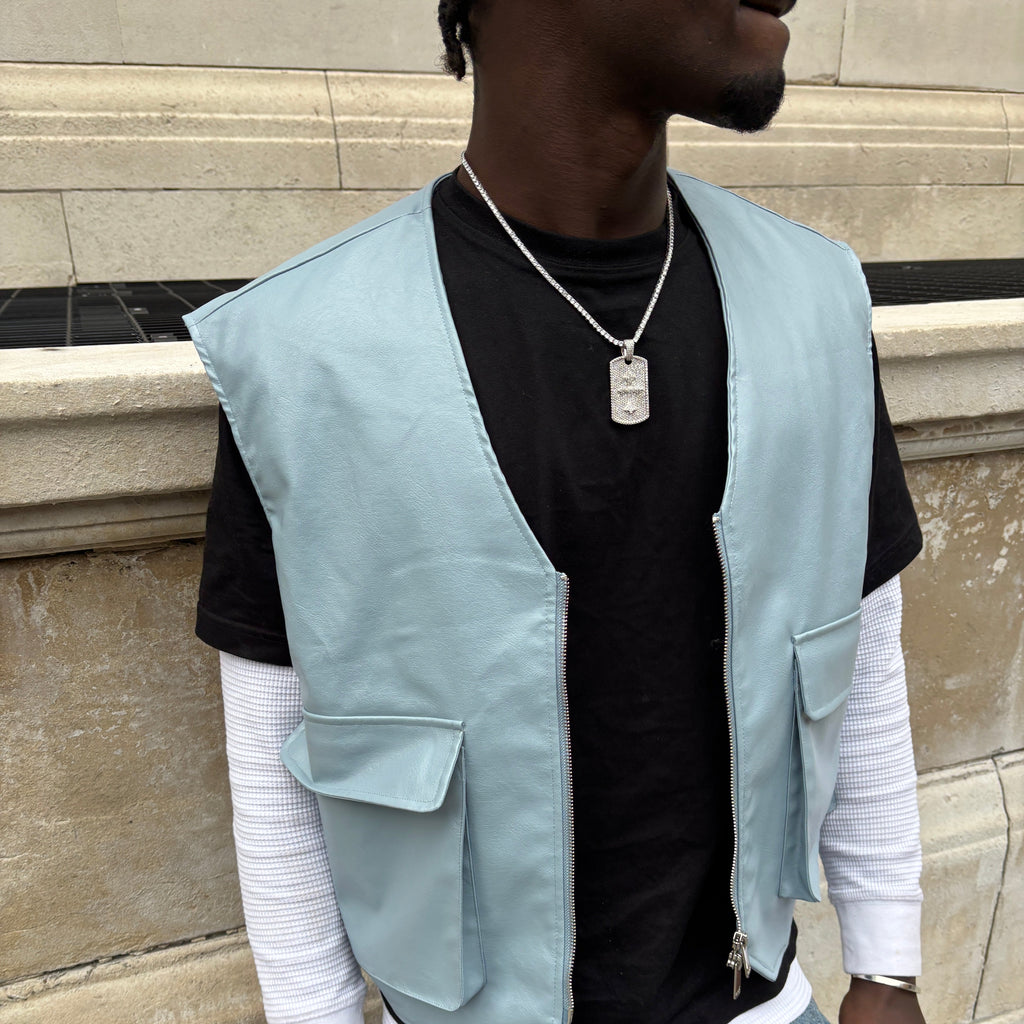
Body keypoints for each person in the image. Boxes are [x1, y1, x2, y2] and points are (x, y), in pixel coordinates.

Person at [184, 2, 927, 1023]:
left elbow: (863, 648)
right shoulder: (300, 349)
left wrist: (886, 968)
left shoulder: (815, 301)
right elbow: (278, 751)